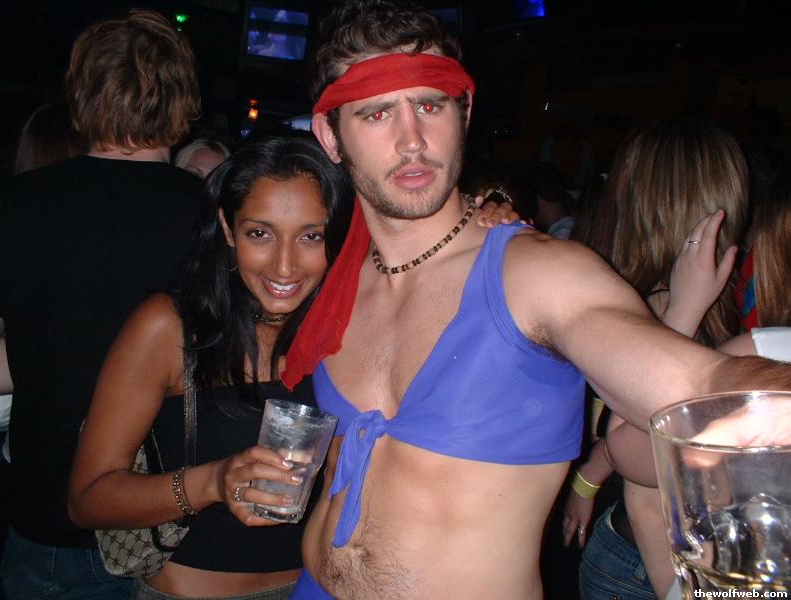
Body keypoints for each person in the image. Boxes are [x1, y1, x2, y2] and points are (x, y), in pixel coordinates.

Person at [274, 2, 791, 598]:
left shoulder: (538, 274)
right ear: (330, 136)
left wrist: (764, 405)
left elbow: (696, 382)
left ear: (464, 112)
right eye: (377, 113)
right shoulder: (335, 273)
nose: (412, 139)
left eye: (431, 105)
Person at [69, 134, 351, 600]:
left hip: (314, 588)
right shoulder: (169, 328)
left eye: (311, 236)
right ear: (227, 229)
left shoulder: (342, 331)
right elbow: (87, 499)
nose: (285, 266)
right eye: (259, 234)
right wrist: (214, 482)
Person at [0, 10, 200, 598]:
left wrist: (52, 354)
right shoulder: (210, 212)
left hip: (49, 509)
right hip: (171, 517)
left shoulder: (20, 203)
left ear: (83, 94)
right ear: (182, 99)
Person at [562, 117, 748, 599]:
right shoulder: (638, 304)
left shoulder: (707, 303)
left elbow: (633, 453)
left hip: (670, 566)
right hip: (641, 563)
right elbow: (634, 453)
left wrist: (684, 311)